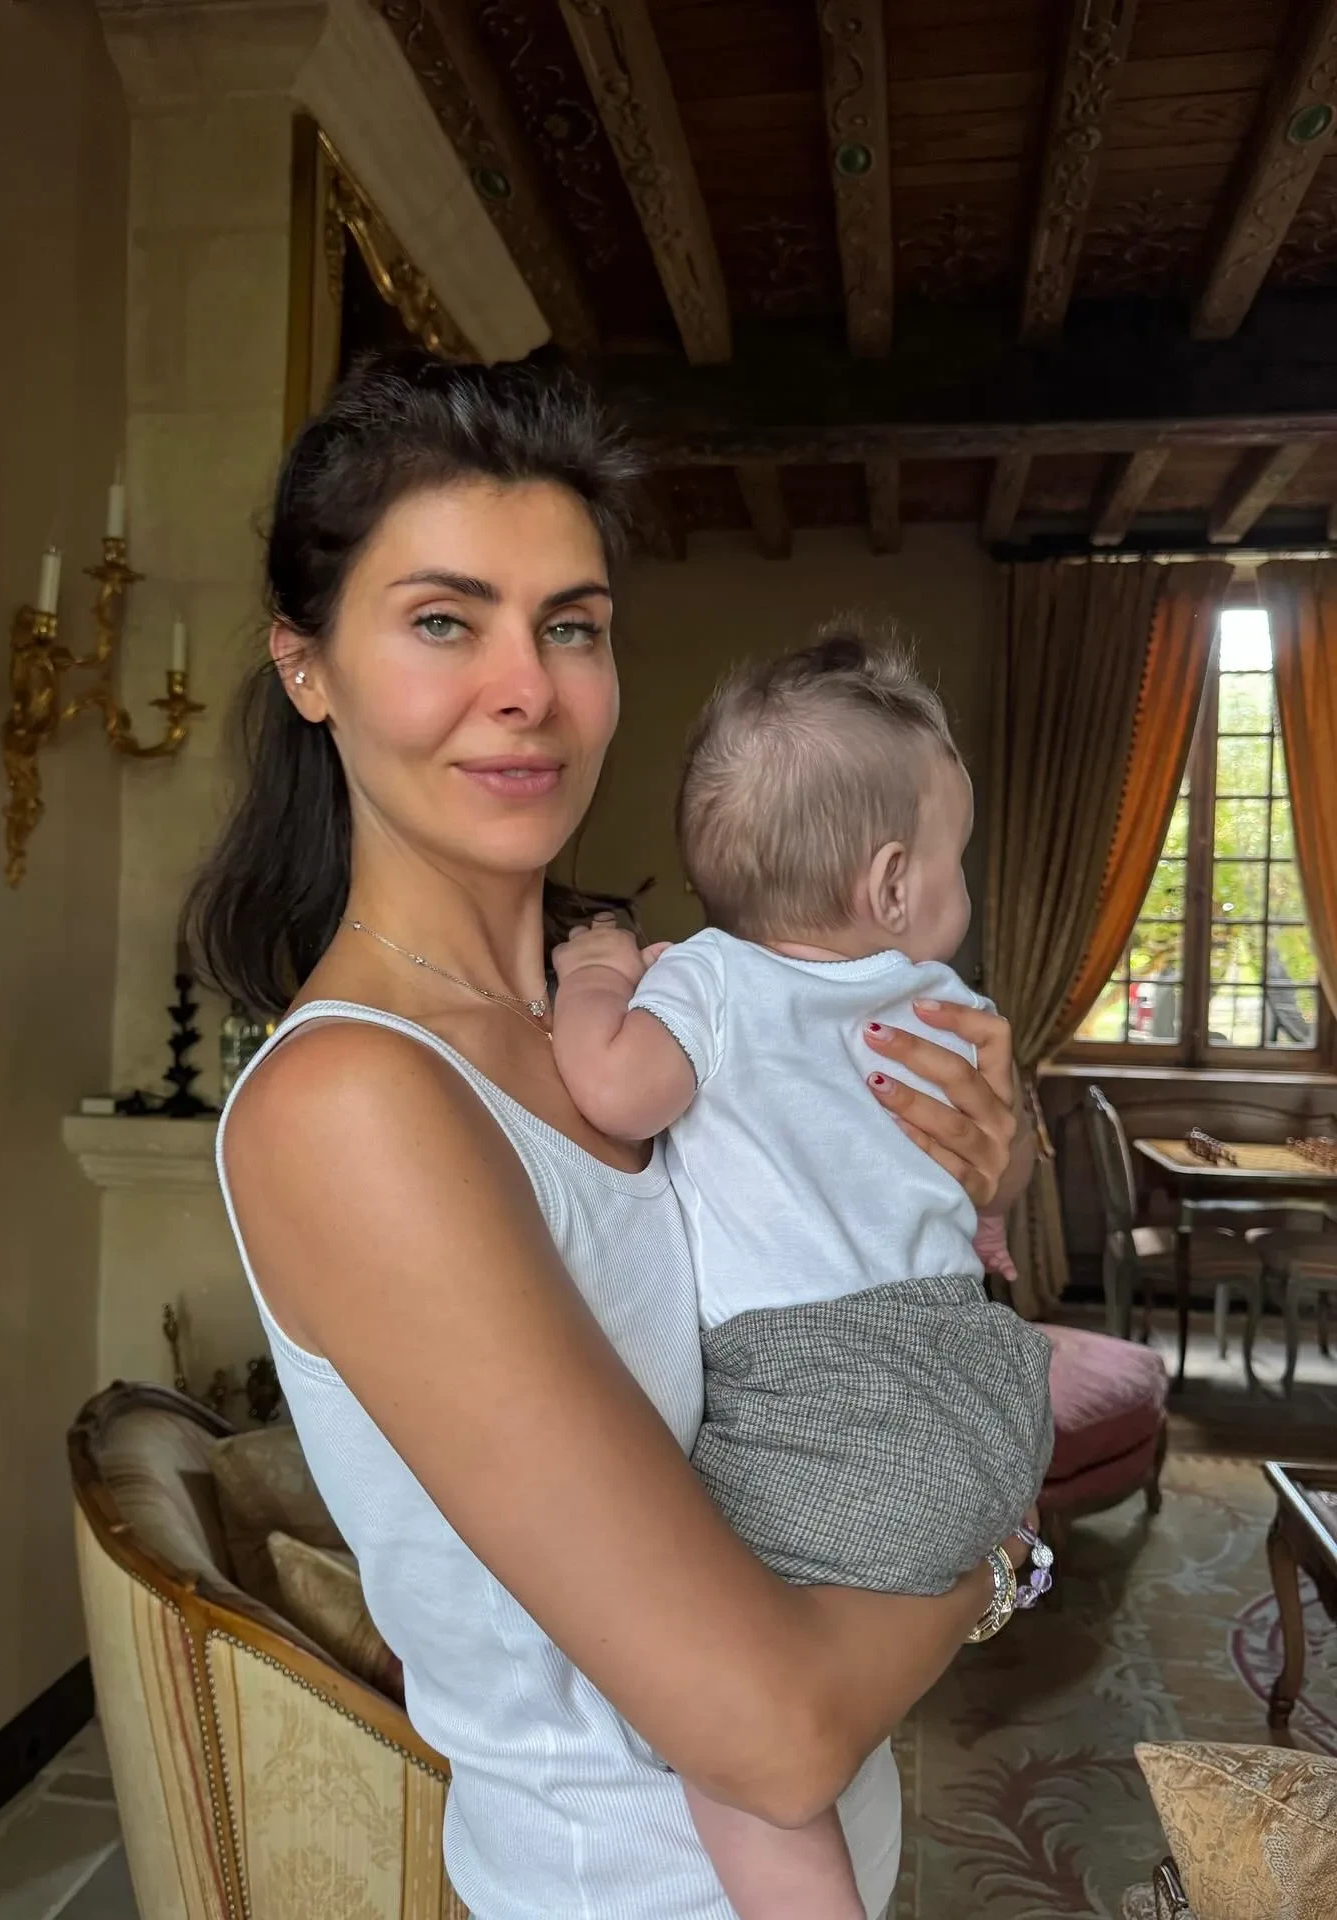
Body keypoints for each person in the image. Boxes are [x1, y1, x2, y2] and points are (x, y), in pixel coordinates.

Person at [192, 352, 1033, 1920]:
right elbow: (771, 1735)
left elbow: (875, 1288)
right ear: (307, 667)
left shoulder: (649, 1012)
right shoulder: (353, 1103)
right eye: (446, 621)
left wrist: (983, 1175)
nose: (529, 686)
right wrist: (998, 1544)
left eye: (570, 625)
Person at [550, 634, 1053, 1919]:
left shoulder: (710, 980)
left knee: (716, 1709)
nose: (961, 887)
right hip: (985, 1401)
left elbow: (613, 1088)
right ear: (889, 884)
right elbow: (984, 1168)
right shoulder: (942, 1005)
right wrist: (999, 1204)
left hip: (825, 1410)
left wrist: (597, 975)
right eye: (956, 858)